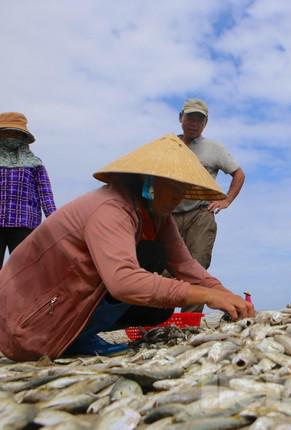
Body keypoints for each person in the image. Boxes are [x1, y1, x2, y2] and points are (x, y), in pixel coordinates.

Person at [0, 134, 254, 362]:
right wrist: (207, 296)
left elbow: (184, 264)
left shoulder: (156, 215)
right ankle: (73, 337)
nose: (179, 198)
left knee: (160, 302)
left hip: (60, 308)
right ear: (150, 184)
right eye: (174, 190)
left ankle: (79, 334)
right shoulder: (111, 208)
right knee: (149, 261)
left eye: (183, 191)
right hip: (27, 325)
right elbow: (123, 281)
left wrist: (222, 292)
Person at [173, 98, 246, 313]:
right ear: (180, 118)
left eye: (199, 119)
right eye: (190, 117)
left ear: (205, 124)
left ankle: (190, 321)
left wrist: (226, 200)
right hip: (169, 215)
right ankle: (156, 320)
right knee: (162, 268)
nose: (194, 123)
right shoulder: (169, 145)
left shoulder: (213, 148)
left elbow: (239, 174)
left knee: (197, 265)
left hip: (200, 213)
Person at [0, 112, 56, 268]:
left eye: (16, 133)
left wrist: (55, 219)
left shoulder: (34, 163)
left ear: (22, 137)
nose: (11, 136)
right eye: (7, 132)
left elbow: (45, 194)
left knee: (24, 269)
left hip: (24, 222)